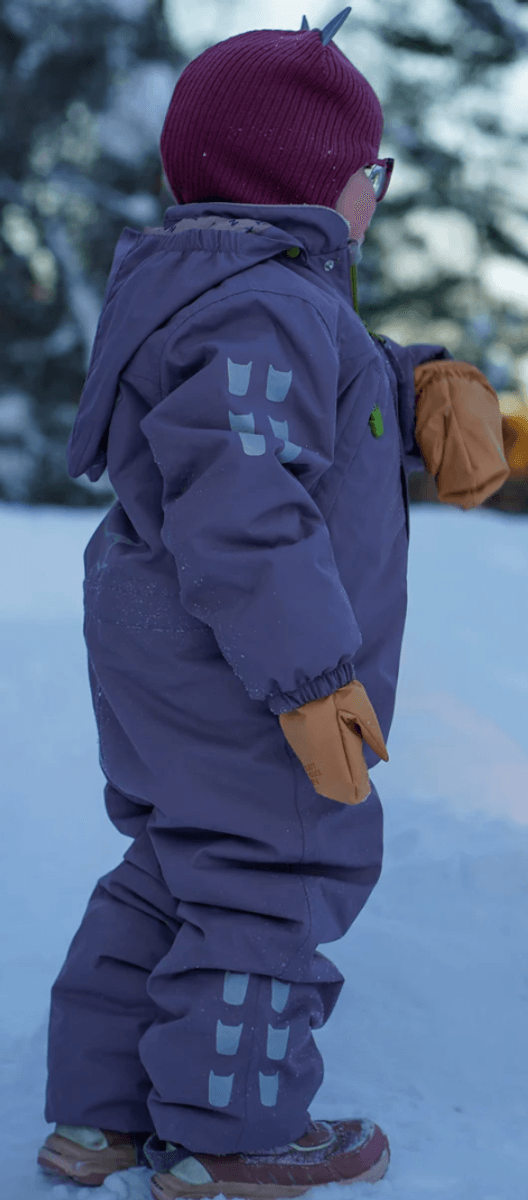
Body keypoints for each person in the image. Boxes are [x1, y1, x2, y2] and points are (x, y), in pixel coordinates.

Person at [37, 8, 508, 1198]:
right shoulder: (265, 307)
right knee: (272, 874)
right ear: (315, 181)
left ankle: (97, 1117)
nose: (377, 194)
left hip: (170, 649)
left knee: (177, 860)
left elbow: (292, 405)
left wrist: (417, 386)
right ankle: (228, 1133)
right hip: (242, 666)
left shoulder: (238, 290)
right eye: (372, 173)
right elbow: (242, 494)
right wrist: (309, 678)